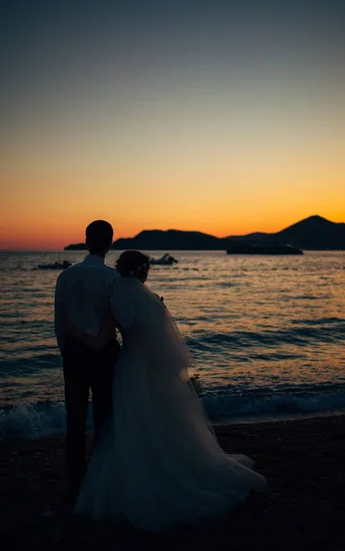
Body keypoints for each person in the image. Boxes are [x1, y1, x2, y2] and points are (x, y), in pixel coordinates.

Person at [66, 249, 267, 532]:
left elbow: (100, 342)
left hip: (132, 367)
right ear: (142, 271)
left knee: (133, 424)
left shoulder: (117, 295)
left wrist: (72, 330)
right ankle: (176, 468)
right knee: (164, 420)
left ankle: (145, 476)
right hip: (156, 369)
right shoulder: (151, 298)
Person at [54, 220, 120, 501]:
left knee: (76, 417)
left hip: (74, 353)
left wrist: (66, 352)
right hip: (105, 353)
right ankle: (104, 476)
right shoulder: (113, 279)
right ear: (110, 243)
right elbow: (119, 321)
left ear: (85, 240)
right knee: (105, 417)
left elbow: (60, 323)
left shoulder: (65, 278)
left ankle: (75, 480)